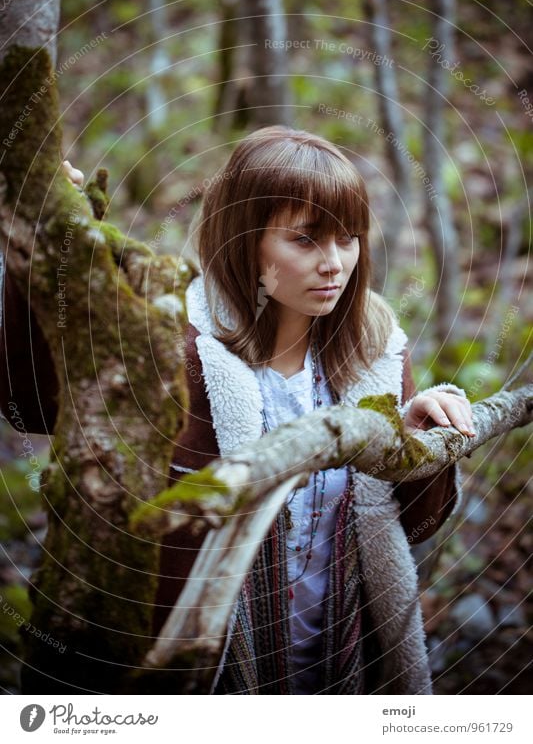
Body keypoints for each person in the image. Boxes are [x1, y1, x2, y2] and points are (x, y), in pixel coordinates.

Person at [0, 126, 474, 695]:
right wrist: (44, 245)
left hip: (343, 664)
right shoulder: (173, 343)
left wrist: (424, 444)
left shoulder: (372, 351)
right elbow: (27, 405)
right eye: (304, 240)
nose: (334, 263)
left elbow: (415, 526)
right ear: (245, 240)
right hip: (205, 675)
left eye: (348, 238)